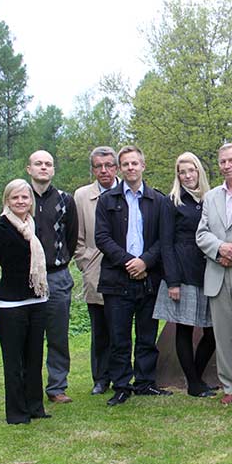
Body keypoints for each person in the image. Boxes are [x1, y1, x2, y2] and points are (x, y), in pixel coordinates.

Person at [95, 144, 170, 406]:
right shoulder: (107, 200)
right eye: (125, 164)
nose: (130, 168)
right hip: (117, 279)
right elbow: (102, 238)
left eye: (134, 163)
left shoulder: (158, 200)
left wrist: (145, 262)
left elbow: (164, 239)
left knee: (147, 335)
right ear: (120, 168)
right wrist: (130, 262)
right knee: (119, 337)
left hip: (149, 278)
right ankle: (122, 385)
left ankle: (145, 382)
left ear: (143, 166)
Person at [0, 179, 51, 424]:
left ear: (31, 201)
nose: (21, 202)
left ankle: (35, 407)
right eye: (15, 198)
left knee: (34, 358)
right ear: (7, 201)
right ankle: (17, 413)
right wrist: (0, 299)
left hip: (38, 301)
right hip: (11, 306)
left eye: (25, 198)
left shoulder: (33, 228)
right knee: (13, 362)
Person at [153, 152, 217, 397]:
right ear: (177, 175)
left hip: (207, 272)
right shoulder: (171, 202)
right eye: (182, 172)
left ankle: (196, 378)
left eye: (191, 170)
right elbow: (166, 244)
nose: (188, 176)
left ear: (199, 171)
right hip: (181, 272)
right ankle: (193, 384)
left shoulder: (209, 199)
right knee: (184, 329)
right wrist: (172, 281)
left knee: (212, 332)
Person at [197, 143, 232, 405]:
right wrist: (220, 248)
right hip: (217, 274)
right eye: (223, 161)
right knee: (224, 336)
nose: (227, 165)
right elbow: (201, 233)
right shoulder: (210, 197)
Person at [26, 150, 78, 404]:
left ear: (53, 170)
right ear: (29, 169)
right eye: (38, 164)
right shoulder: (20, 198)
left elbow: (72, 238)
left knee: (57, 335)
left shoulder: (65, 200)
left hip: (57, 276)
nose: (43, 168)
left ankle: (57, 386)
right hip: (25, 279)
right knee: (28, 335)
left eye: (48, 164)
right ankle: (29, 386)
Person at [73, 146, 119, 395]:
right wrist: (85, 262)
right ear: (92, 169)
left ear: (116, 167)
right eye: (99, 166)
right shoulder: (81, 196)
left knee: (121, 327)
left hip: (127, 270)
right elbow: (76, 237)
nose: (104, 170)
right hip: (96, 270)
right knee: (100, 328)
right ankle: (101, 378)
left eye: (109, 165)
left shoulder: (129, 191)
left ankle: (124, 373)